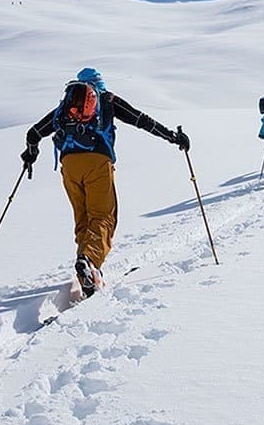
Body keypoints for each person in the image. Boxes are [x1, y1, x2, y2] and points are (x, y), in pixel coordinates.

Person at [21, 67, 190, 297]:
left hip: (69, 166)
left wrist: (31, 153)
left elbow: (34, 133)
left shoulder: (65, 108)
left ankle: (89, 269)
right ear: (99, 83)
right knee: (103, 217)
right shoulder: (108, 100)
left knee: (83, 217)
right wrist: (172, 136)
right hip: (98, 163)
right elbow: (142, 120)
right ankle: (89, 261)